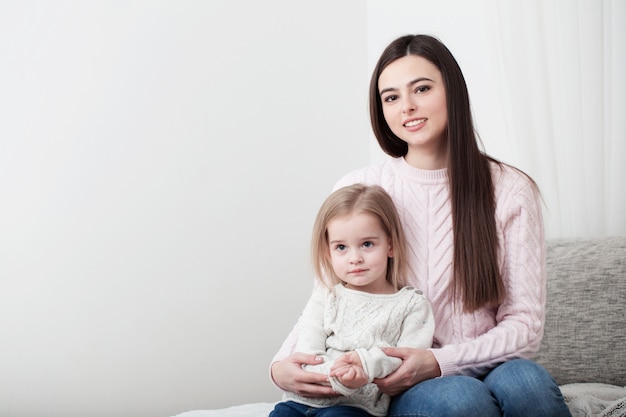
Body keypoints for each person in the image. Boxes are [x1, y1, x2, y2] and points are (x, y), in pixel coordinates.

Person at [270, 34, 573, 417]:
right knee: (460, 399)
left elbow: (525, 326)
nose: (408, 107)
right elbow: (329, 297)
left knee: (526, 382)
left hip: (487, 361)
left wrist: (439, 360)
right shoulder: (360, 188)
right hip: (393, 378)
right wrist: (280, 366)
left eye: (422, 89)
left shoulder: (510, 189)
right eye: (391, 97)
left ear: (452, 92)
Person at [269, 184, 434, 417]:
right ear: (328, 252)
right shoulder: (326, 296)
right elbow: (308, 348)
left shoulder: (412, 305)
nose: (355, 258)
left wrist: (364, 366)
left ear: (390, 245)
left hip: (354, 406)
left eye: (367, 244)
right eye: (341, 247)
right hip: (301, 401)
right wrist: (337, 375)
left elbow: (407, 359)